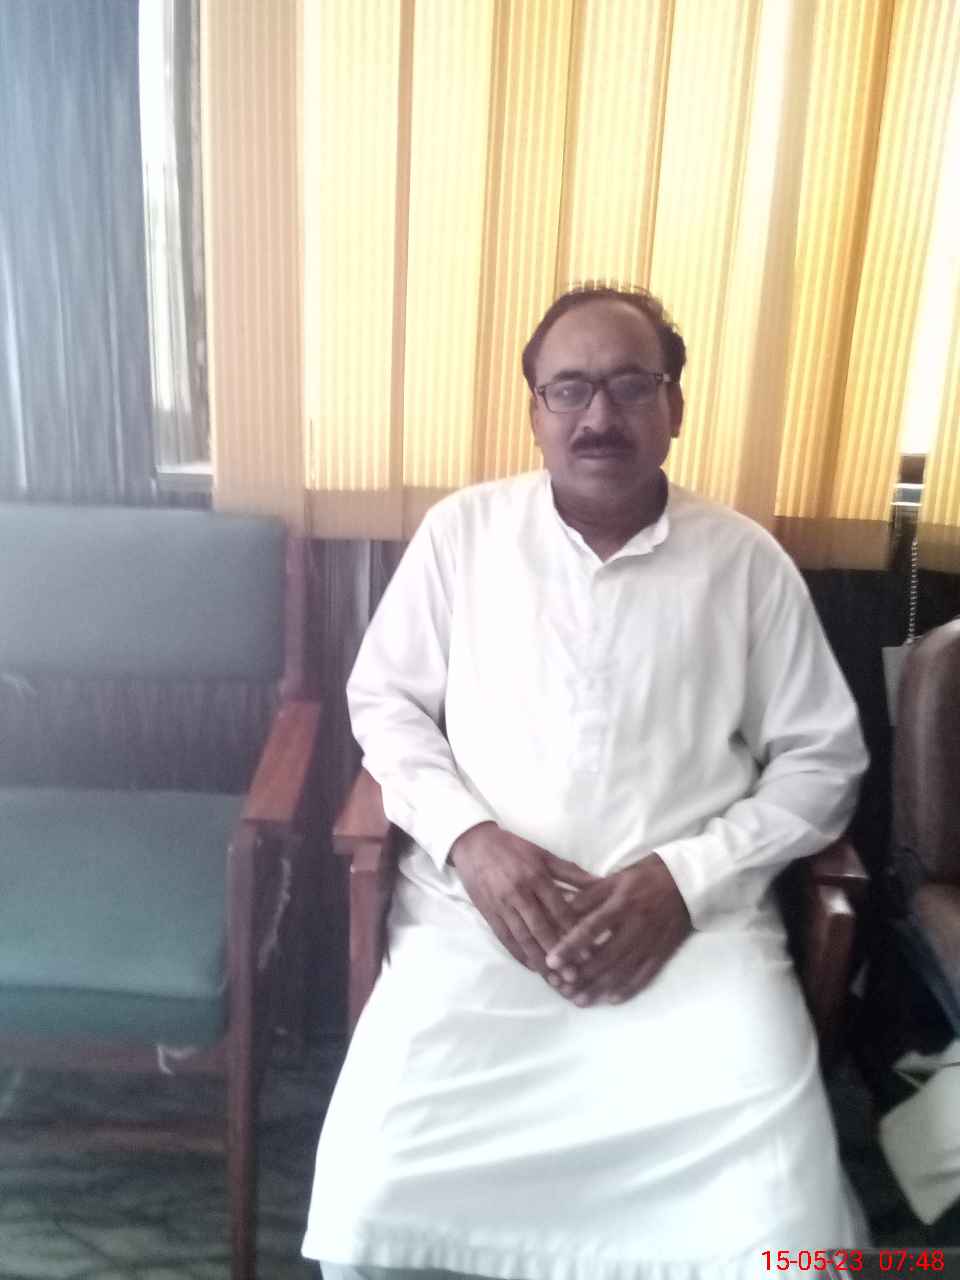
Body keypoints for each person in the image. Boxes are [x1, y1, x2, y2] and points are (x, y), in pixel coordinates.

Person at [303, 285, 870, 1280]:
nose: (598, 416)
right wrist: (471, 841)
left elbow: (824, 761)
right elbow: (384, 705)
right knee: (370, 1214)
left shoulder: (745, 561)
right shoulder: (463, 534)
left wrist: (684, 879)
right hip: (477, 932)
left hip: (696, 943)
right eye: (568, 389)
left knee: (790, 1242)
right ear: (535, 411)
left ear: (674, 406)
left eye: (629, 386)